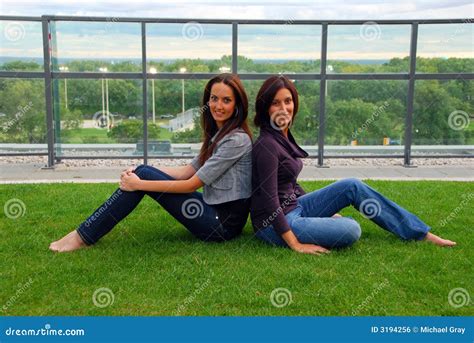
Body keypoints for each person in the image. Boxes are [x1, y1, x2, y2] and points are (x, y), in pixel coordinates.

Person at [250, 75, 456, 255]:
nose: (283, 109)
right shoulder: (266, 145)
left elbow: (290, 183)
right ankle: (310, 230)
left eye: (288, 101)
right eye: (275, 103)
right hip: (272, 225)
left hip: (296, 208)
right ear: (266, 107)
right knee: (350, 229)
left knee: (352, 185)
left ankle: (418, 232)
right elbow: (269, 201)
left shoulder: (282, 137)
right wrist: (295, 244)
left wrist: (324, 209)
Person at [50, 73, 252, 252]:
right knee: (143, 170)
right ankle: (83, 234)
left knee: (143, 176)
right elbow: (186, 171)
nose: (218, 105)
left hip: (221, 225)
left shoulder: (236, 140)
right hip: (211, 209)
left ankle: (82, 236)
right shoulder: (219, 135)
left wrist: (139, 184)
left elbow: (191, 184)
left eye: (226, 100)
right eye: (214, 98)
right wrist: (139, 171)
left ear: (237, 106)